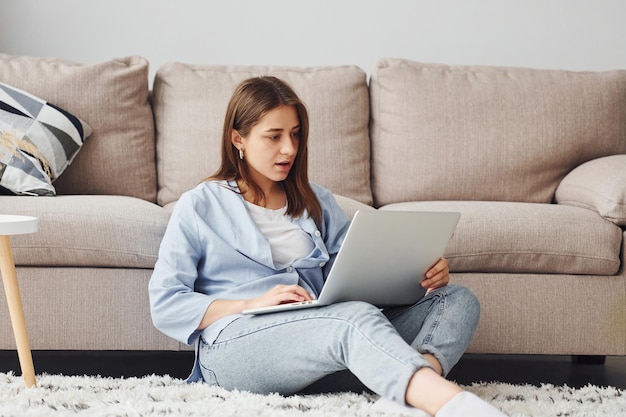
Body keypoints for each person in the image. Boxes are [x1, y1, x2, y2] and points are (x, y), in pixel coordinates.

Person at [148, 76, 507, 417]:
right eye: (273, 137)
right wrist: (250, 303)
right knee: (350, 321)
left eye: (295, 134)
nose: (289, 148)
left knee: (456, 299)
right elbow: (166, 302)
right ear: (238, 139)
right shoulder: (200, 204)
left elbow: (353, 280)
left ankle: (409, 396)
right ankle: (453, 405)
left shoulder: (315, 200)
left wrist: (420, 272)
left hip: (319, 343)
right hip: (235, 349)